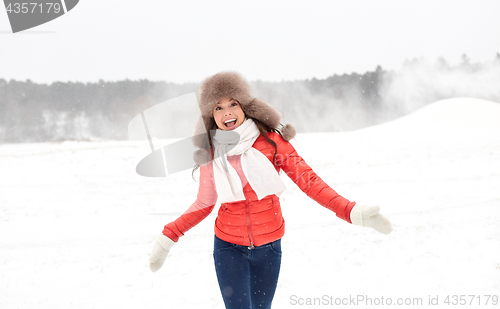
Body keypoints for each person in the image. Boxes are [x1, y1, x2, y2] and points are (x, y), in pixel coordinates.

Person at [149, 71, 393, 309]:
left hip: (269, 247)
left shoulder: (272, 143)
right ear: (211, 116)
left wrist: (352, 212)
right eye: (218, 107)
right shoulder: (212, 154)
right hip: (228, 248)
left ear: (245, 106)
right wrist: (168, 236)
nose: (227, 112)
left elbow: (310, 182)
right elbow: (203, 203)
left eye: (233, 103)